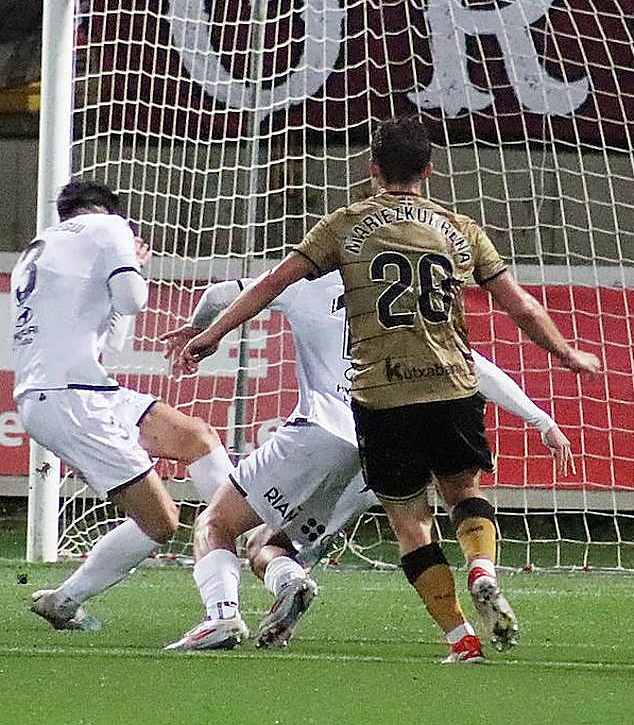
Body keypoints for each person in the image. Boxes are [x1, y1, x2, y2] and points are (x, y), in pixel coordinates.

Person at [172, 114, 602, 661]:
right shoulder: (461, 229)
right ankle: (482, 568)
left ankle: (460, 637)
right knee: (465, 495)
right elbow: (518, 303)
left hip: (381, 398)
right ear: (429, 170)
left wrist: (210, 336)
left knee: (410, 525)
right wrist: (564, 353)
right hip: (453, 387)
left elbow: (272, 283)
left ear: (373, 169)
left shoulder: (343, 227)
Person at [162, 273, 575, 654]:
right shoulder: (399, 303)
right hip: (375, 452)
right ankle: (291, 582)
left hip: (319, 433)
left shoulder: (301, 278)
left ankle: (221, 616)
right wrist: (540, 419)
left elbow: (218, 296)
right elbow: (472, 364)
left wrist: (199, 330)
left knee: (215, 523)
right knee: (269, 545)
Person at [13, 180, 235, 632]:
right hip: (70, 397)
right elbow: (133, 300)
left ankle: (247, 531)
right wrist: (132, 261)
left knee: (196, 437)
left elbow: (110, 329)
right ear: (110, 212)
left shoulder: (39, 247)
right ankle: (65, 599)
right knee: (160, 520)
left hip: (77, 389)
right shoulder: (110, 227)